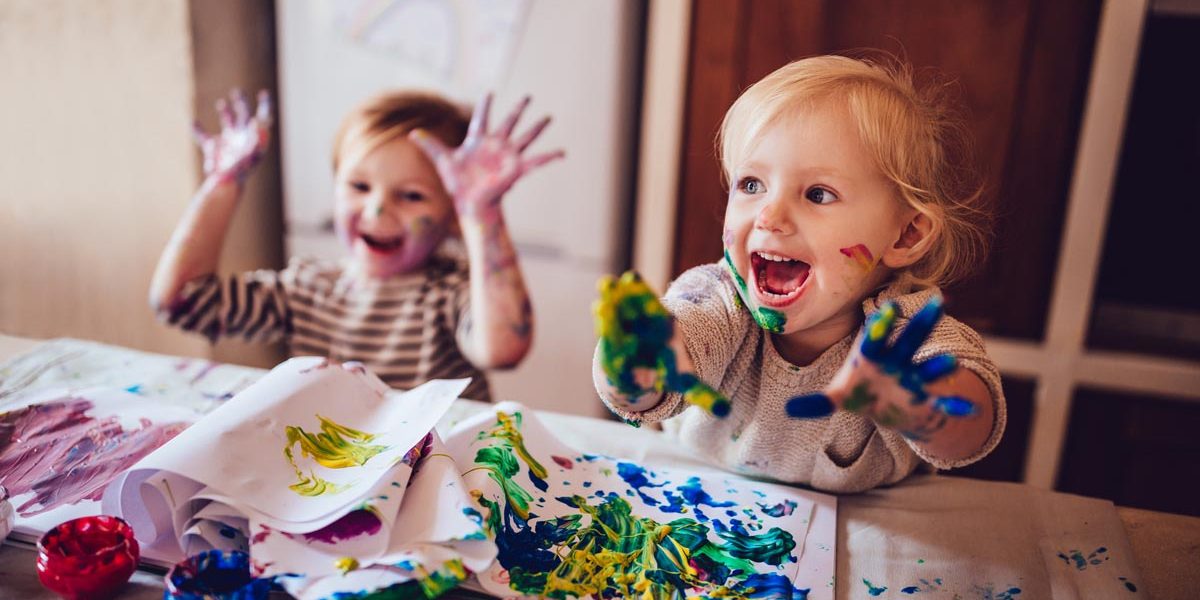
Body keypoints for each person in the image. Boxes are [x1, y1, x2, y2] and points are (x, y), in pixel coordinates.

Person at [593, 55, 1004, 493]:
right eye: (751, 184)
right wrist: (632, 368)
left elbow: (972, 431)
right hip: (696, 502)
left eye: (818, 194)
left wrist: (919, 406)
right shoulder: (719, 298)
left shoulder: (901, 335)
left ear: (904, 235)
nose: (770, 216)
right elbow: (652, 381)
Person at [150, 90, 561, 402]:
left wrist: (482, 213)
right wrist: (223, 184)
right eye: (359, 186)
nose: (377, 209)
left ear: (453, 215)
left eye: (412, 196)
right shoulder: (307, 289)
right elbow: (181, 301)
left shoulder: (451, 294)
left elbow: (504, 349)